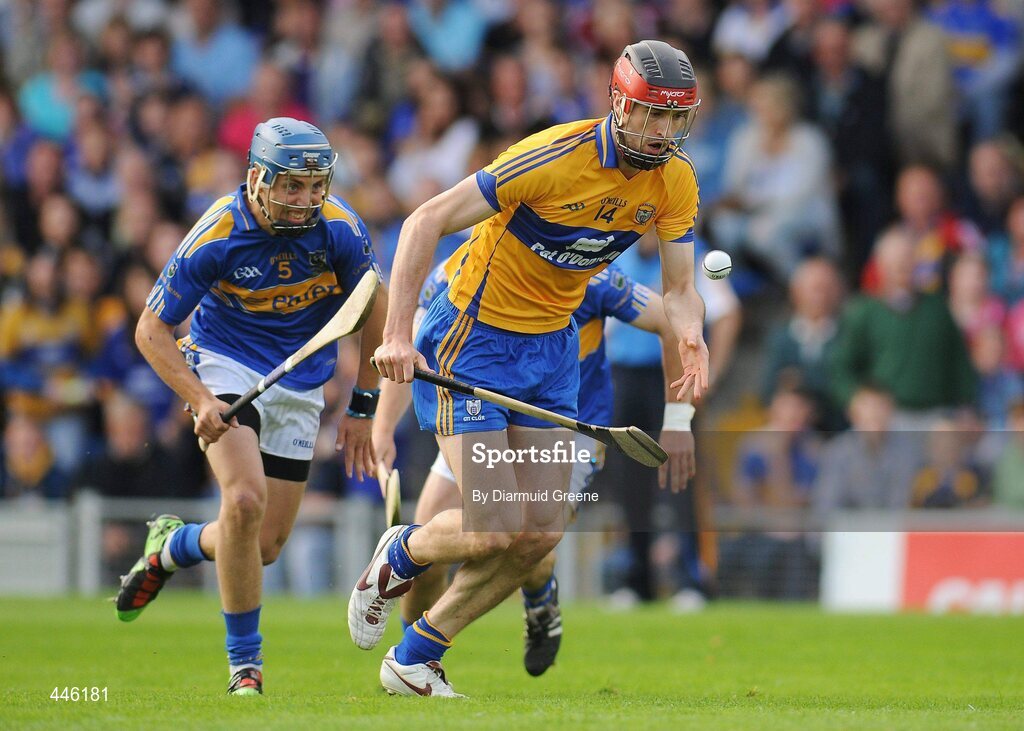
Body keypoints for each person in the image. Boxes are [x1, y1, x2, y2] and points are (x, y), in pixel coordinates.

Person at [351, 40, 708, 697]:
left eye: (674, 118)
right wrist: (397, 335)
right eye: (652, 115)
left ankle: (415, 656)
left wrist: (693, 335)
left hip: (552, 354)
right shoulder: (555, 156)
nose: (663, 132)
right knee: (494, 524)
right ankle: (400, 553)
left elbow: (680, 291)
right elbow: (425, 218)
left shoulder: (674, 180)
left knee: (537, 536)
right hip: (475, 341)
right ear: (618, 104)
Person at [114, 117, 387, 696]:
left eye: (316, 186)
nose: (307, 200)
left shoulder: (340, 229)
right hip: (225, 364)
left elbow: (374, 310)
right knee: (242, 499)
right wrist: (201, 397)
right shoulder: (217, 232)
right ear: (258, 179)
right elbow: (149, 329)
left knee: (260, 546)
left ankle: (172, 546)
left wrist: (363, 408)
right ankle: (246, 667)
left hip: (302, 383)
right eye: (292, 186)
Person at [372, 258, 694, 677]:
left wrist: (677, 420)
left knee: (527, 538)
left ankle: (537, 595)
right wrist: (381, 429)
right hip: (481, 417)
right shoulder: (452, 274)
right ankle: (407, 651)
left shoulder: (588, 278)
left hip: (569, 428)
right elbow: (412, 349)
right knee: (440, 536)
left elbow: (671, 322)